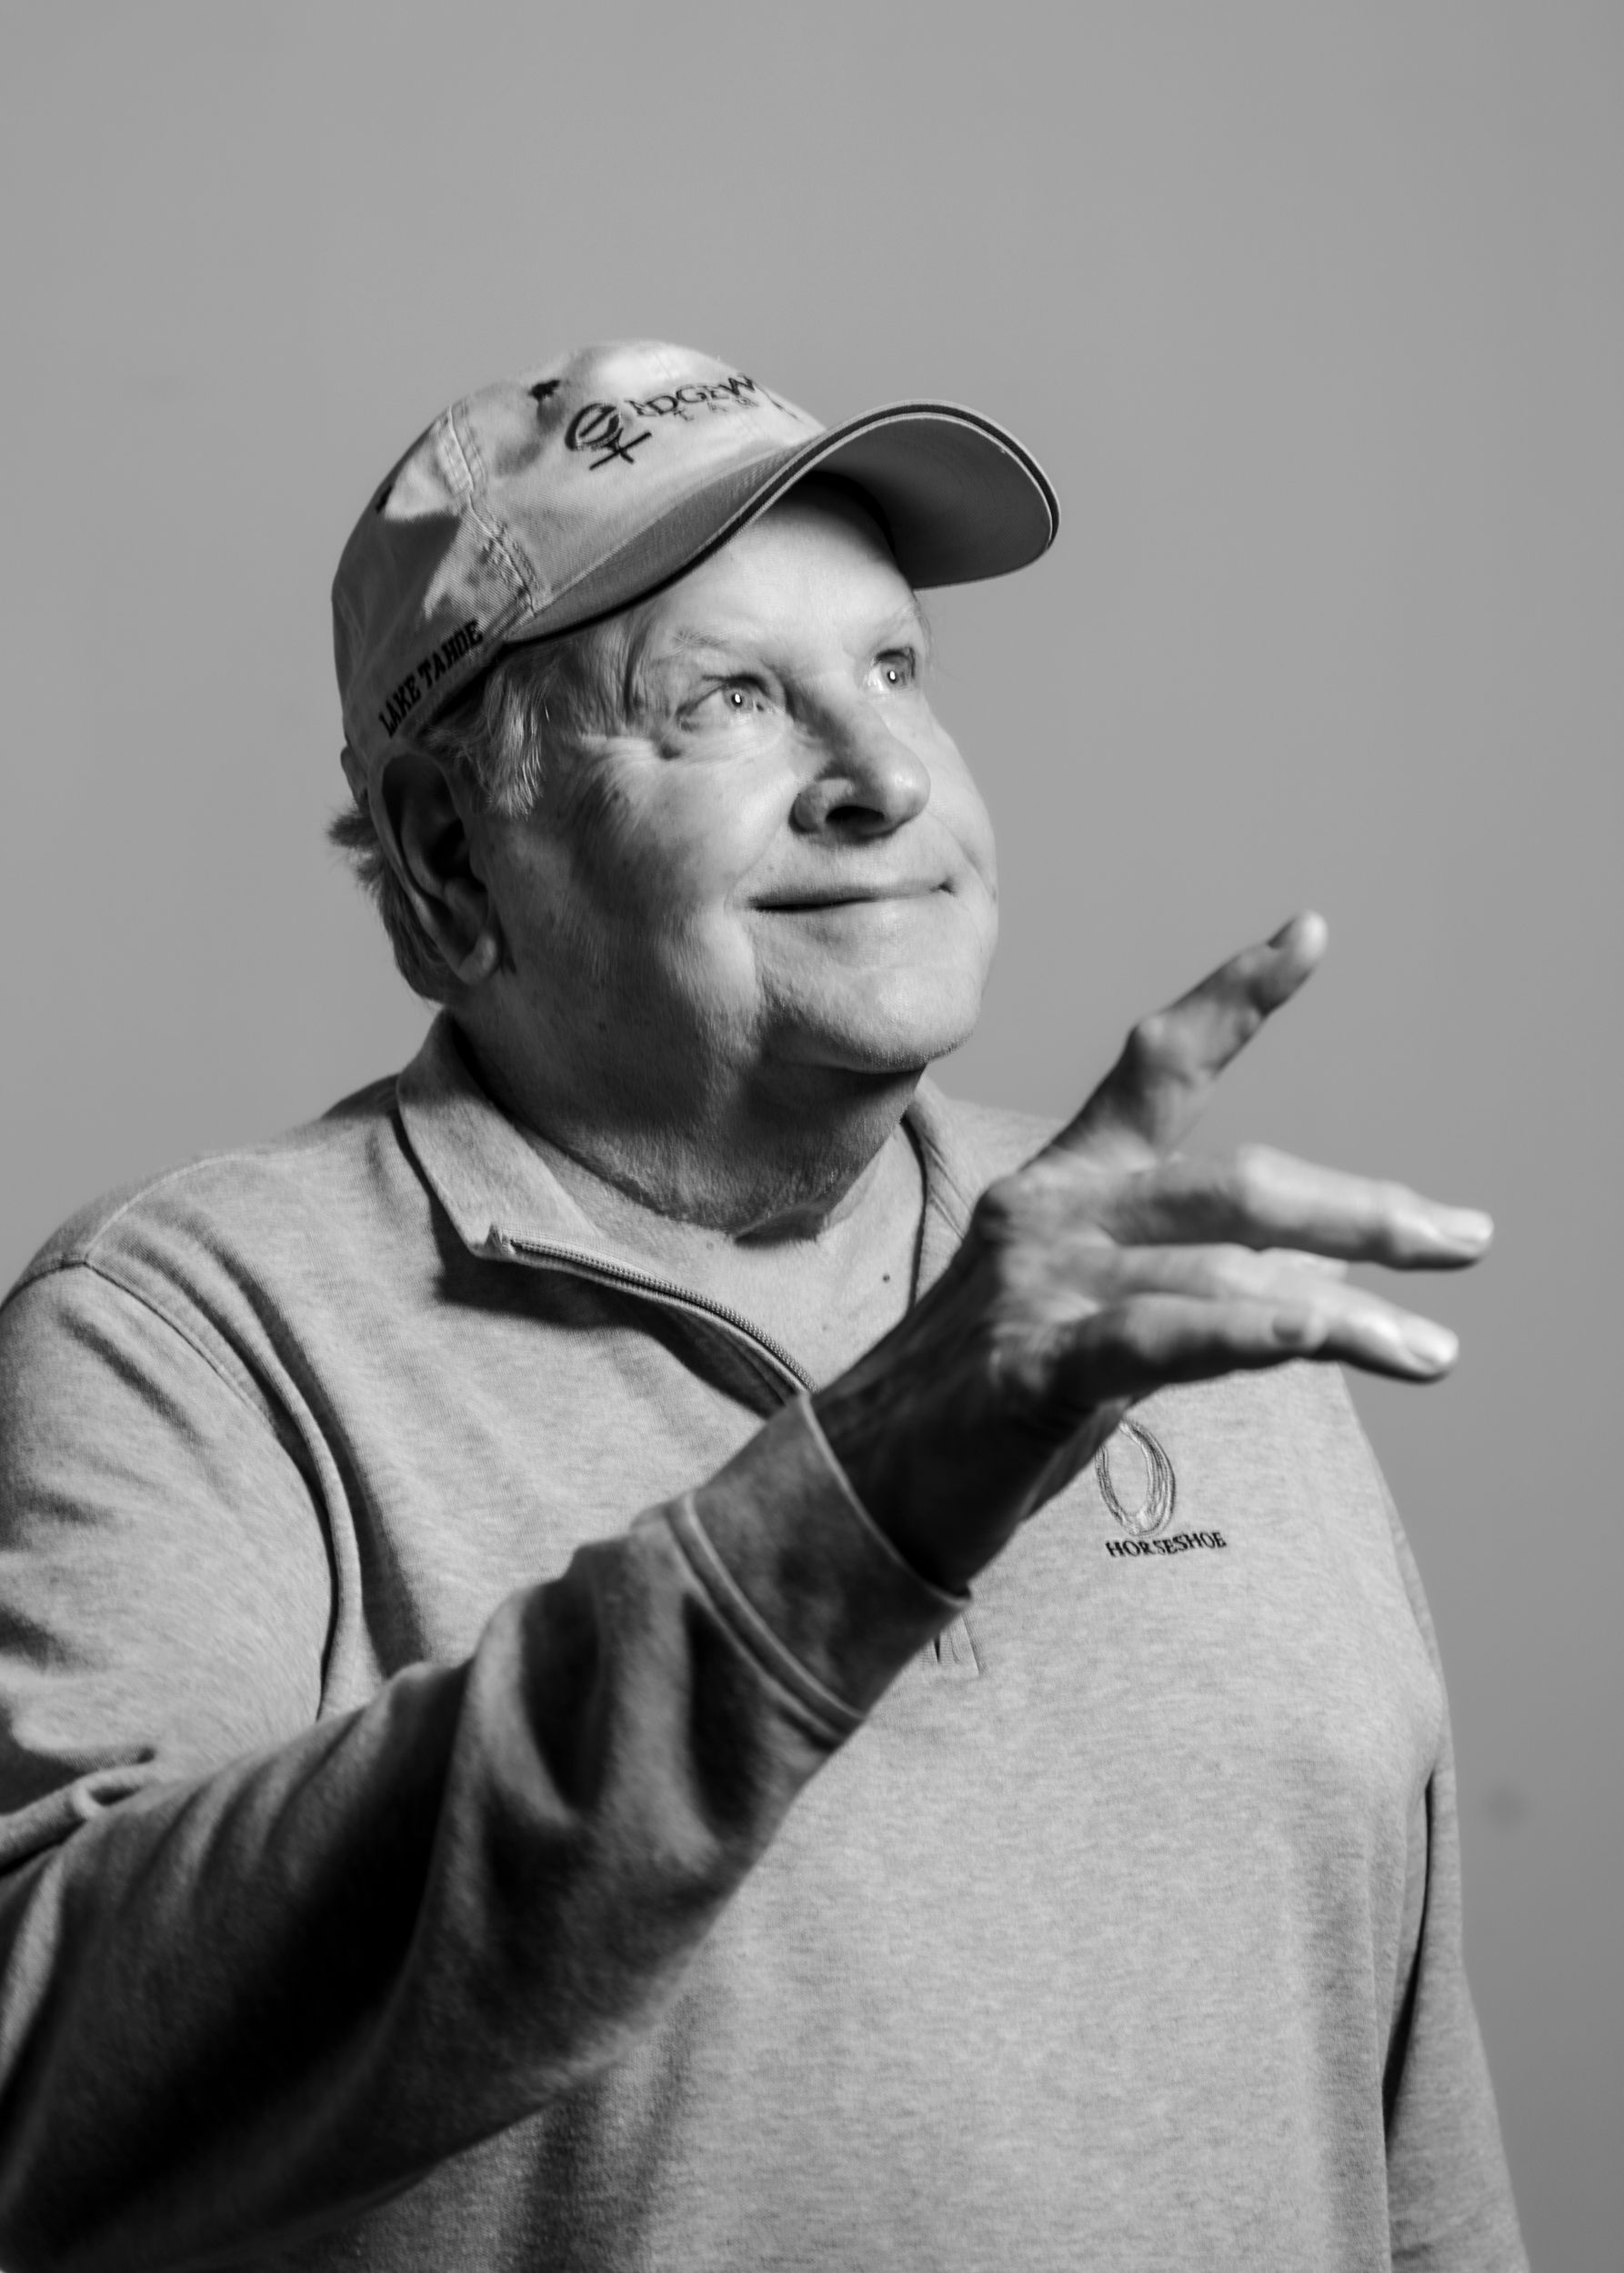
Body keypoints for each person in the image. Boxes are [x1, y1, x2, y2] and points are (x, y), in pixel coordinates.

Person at [0, 342, 1527, 2272]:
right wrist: (866, 1493)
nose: (880, 776)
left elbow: (1411, 2148)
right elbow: (50, 2085)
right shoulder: (188, 1340)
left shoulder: (1141, 1279)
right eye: (725, 698)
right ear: (451, 853)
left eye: (895, 669)